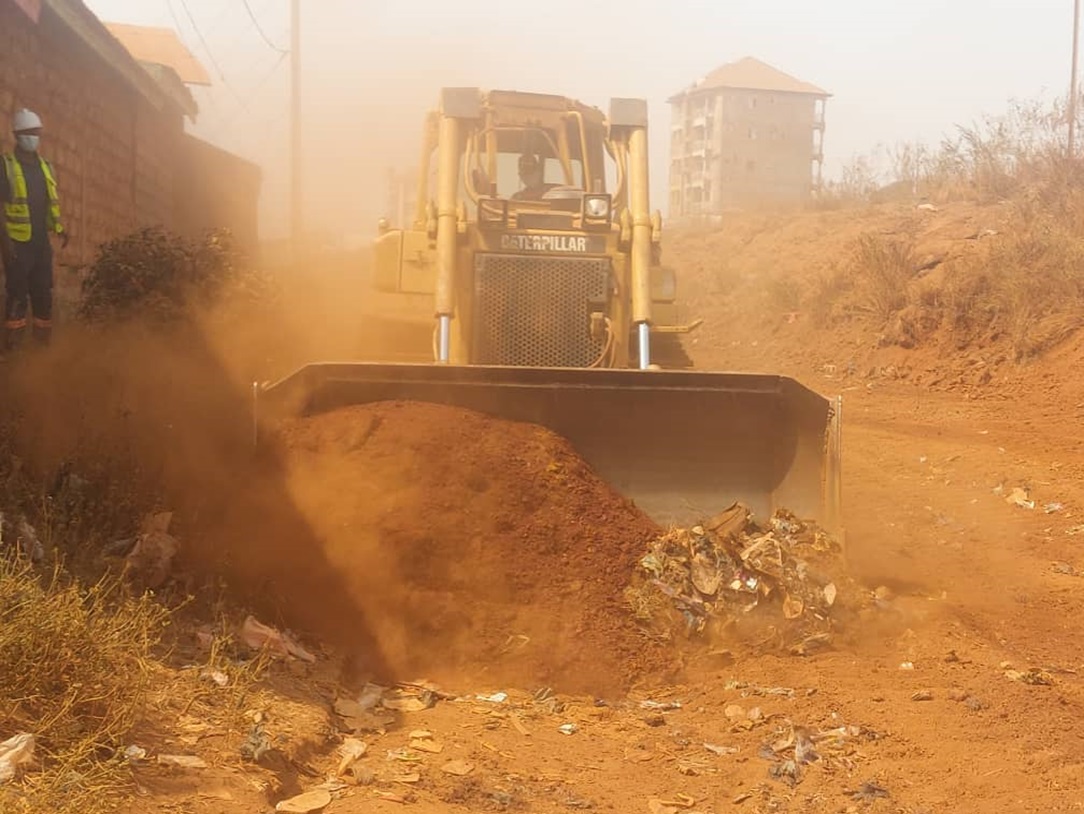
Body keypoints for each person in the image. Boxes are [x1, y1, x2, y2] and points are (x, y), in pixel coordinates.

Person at [0, 108, 69, 350]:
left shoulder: (46, 167)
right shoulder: (5, 165)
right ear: (17, 135)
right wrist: (5, 243)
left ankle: (42, 351)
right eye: (28, 132)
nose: (33, 136)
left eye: (36, 132)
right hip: (18, 244)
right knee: (17, 295)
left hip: (41, 244)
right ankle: (12, 351)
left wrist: (60, 229)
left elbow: (50, 204)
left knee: (43, 295)